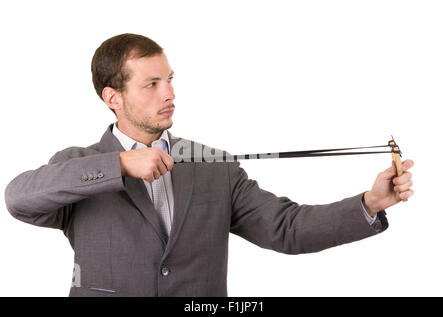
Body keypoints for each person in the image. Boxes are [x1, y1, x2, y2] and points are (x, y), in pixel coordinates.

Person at [4, 33, 414, 297]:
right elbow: (19, 198)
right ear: (113, 98)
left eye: (170, 79)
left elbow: (287, 229)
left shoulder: (214, 166)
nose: (170, 93)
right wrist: (119, 165)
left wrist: (370, 203)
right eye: (152, 84)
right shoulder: (78, 167)